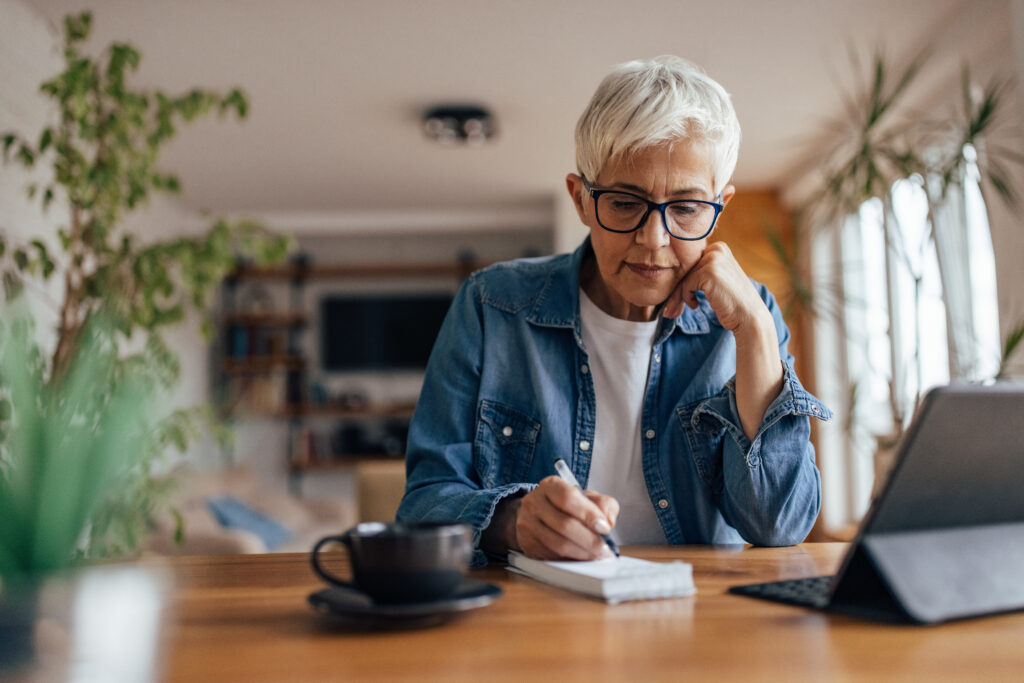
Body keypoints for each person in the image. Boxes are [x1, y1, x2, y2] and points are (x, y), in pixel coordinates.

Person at [397, 55, 832, 568]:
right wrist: (511, 522)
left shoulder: (748, 319)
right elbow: (423, 505)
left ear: (719, 208)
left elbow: (779, 525)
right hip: (536, 622)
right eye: (625, 203)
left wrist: (756, 331)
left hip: (702, 619)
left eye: (686, 208)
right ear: (581, 200)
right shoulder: (492, 307)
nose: (654, 240)